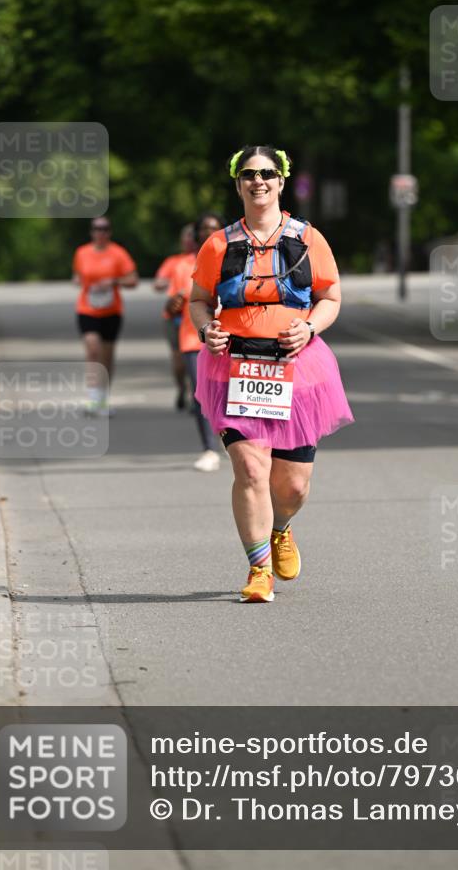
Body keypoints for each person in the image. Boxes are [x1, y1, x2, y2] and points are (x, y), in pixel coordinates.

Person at [189, 146, 353, 602]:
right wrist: (207, 331)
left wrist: (309, 328)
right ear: (237, 183)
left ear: (281, 182)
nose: (257, 181)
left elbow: (331, 297)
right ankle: (258, 569)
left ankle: (281, 527)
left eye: (266, 174)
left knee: (293, 485)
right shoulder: (218, 244)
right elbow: (199, 300)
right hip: (234, 369)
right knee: (249, 469)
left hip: (297, 372)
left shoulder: (308, 239)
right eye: (248, 174)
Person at [167, 214, 224, 471]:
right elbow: (170, 308)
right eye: (204, 228)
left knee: (226, 394)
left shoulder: (235, 257)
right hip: (193, 338)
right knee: (200, 394)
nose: (209, 232)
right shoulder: (182, 266)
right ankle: (209, 449)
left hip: (231, 339)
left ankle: (232, 439)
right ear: (196, 234)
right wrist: (175, 303)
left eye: (214, 228)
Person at [72, 217, 138, 415]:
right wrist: (80, 281)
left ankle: (103, 398)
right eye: (96, 229)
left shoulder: (118, 253)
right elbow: (77, 276)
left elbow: (133, 280)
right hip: (87, 309)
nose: (100, 233)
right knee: (92, 349)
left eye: (105, 229)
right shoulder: (82, 252)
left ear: (109, 232)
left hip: (111, 311)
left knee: (106, 356)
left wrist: (114, 282)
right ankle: (93, 397)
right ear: (91, 232)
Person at [154, 224, 195, 410]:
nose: (189, 240)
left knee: (197, 358)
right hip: (175, 316)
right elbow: (158, 282)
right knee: (179, 361)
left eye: (191, 236)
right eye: (185, 236)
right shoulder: (175, 262)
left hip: (196, 315)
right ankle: (181, 387)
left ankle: (196, 394)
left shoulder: (206, 257)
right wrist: (166, 282)